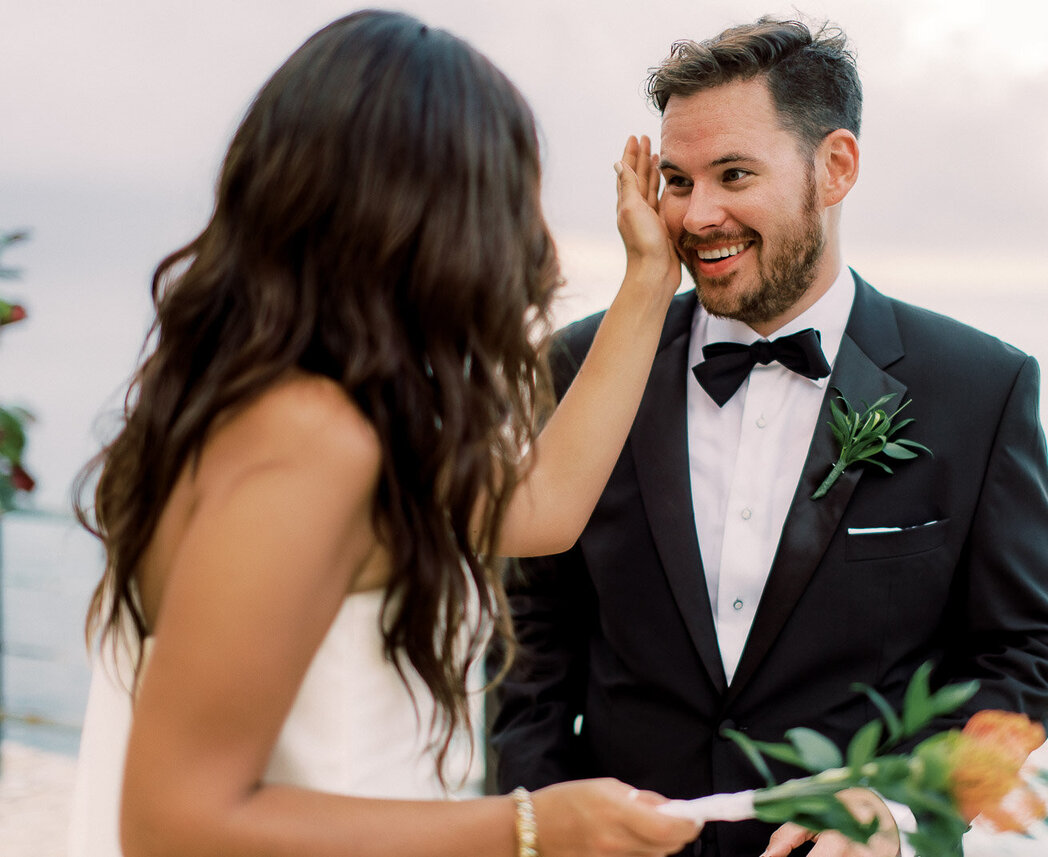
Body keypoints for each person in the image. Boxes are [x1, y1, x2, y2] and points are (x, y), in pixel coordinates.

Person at [67, 10, 701, 857]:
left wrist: (649, 279)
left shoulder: (290, 415)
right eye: (511, 194)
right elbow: (177, 819)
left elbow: (544, 505)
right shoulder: (308, 442)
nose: (525, 237)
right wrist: (531, 827)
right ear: (437, 216)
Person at [491, 16, 1048, 857]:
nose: (698, 216)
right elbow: (531, 638)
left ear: (834, 168)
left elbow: (1029, 651)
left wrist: (906, 803)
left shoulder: (980, 386)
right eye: (677, 179)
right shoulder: (582, 364)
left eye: (734, 174)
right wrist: (536, 824)